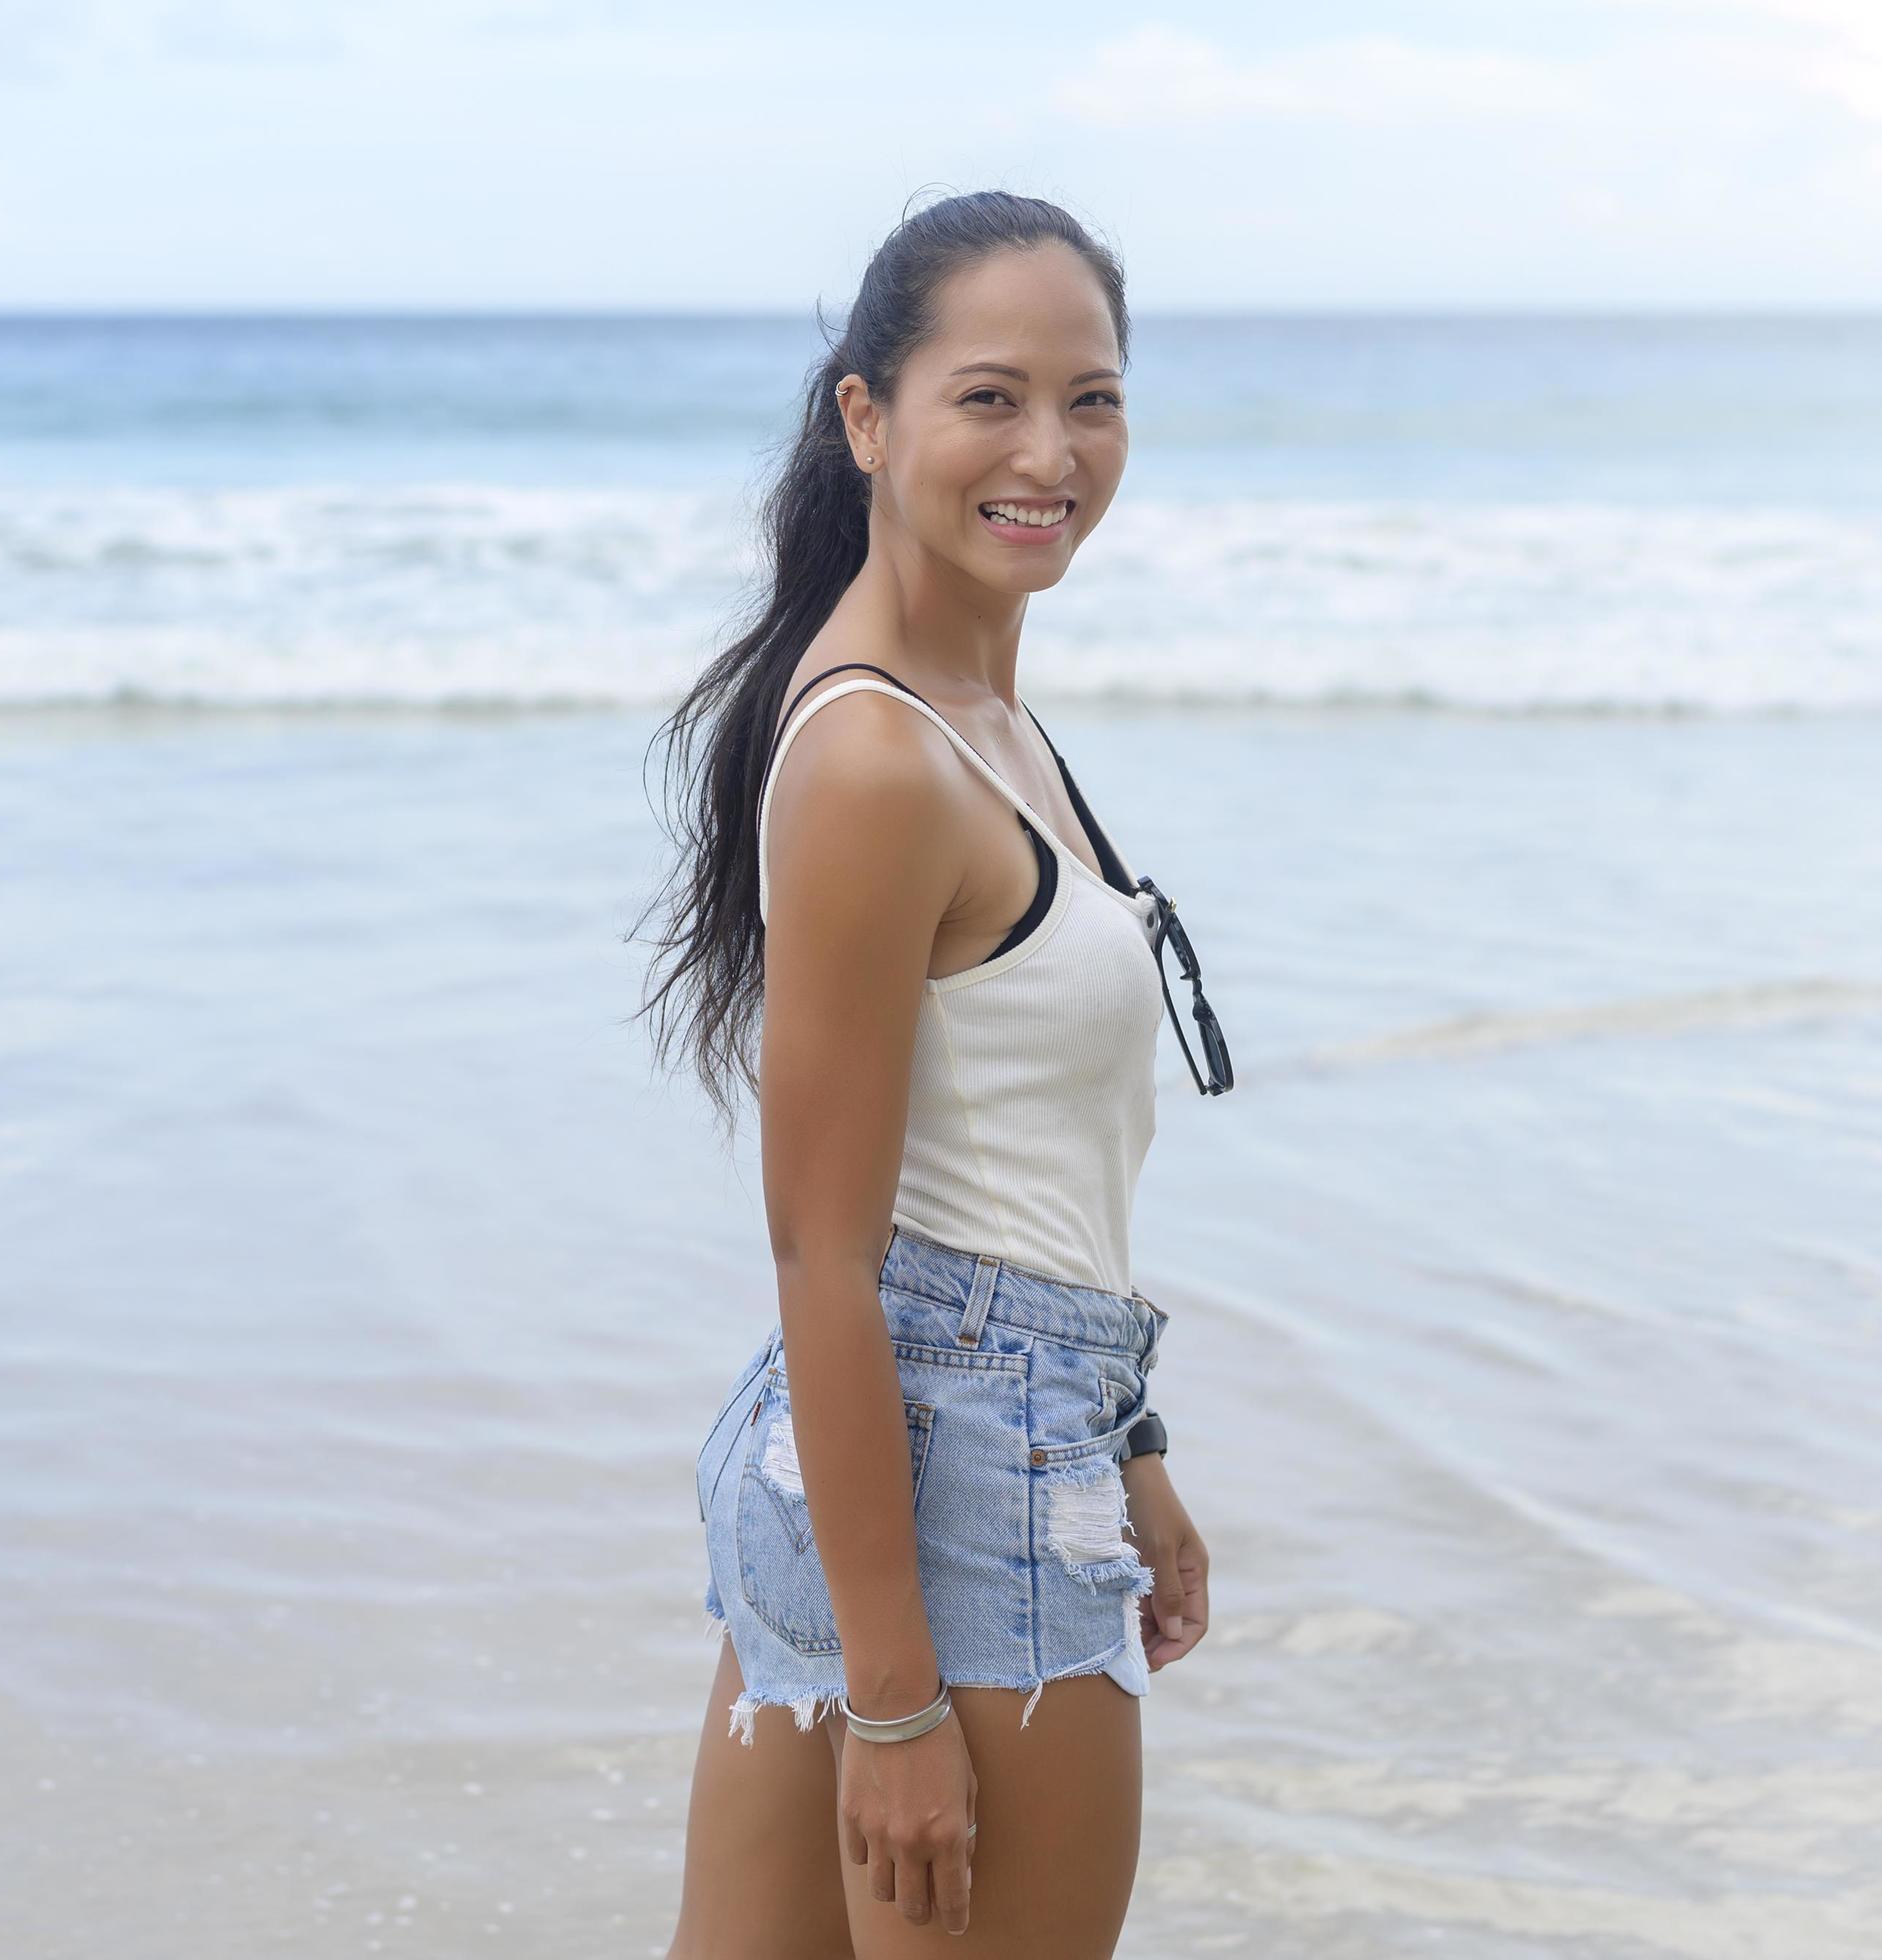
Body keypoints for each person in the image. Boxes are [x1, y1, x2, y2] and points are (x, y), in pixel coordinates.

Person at [633, 190, 1217, 1957]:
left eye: (1091, 397)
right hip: (950, 1483)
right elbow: (823, 1247)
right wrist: (892, 1709)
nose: (1049, 450)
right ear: (867, 418)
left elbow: (1006, 1168)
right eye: (989, 396)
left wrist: (1135, 1448)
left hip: (910, 1447)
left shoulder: (976, 707)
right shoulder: (882, 756)